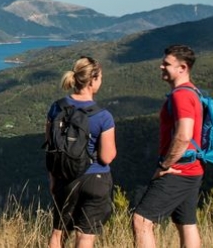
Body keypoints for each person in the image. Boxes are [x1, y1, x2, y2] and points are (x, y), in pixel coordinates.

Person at [132, 44, 204, 248]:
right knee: (186, 223)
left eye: (166, 64)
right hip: (193, 168)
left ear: (182, 68)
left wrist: (164, 166)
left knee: (142, 220)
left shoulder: (181, 95)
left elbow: (183, 135)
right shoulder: (193, 91)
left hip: (177, 170)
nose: (161, 67)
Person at [47, 56, 117, 248]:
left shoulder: (56, 108)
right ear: (93, 80)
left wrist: (53, 179)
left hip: (65, 177)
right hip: (95, 179)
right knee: (85, 237)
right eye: (100, 78)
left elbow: (51, 147)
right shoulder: (104, 116)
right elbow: (107, 156)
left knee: (58, 233)